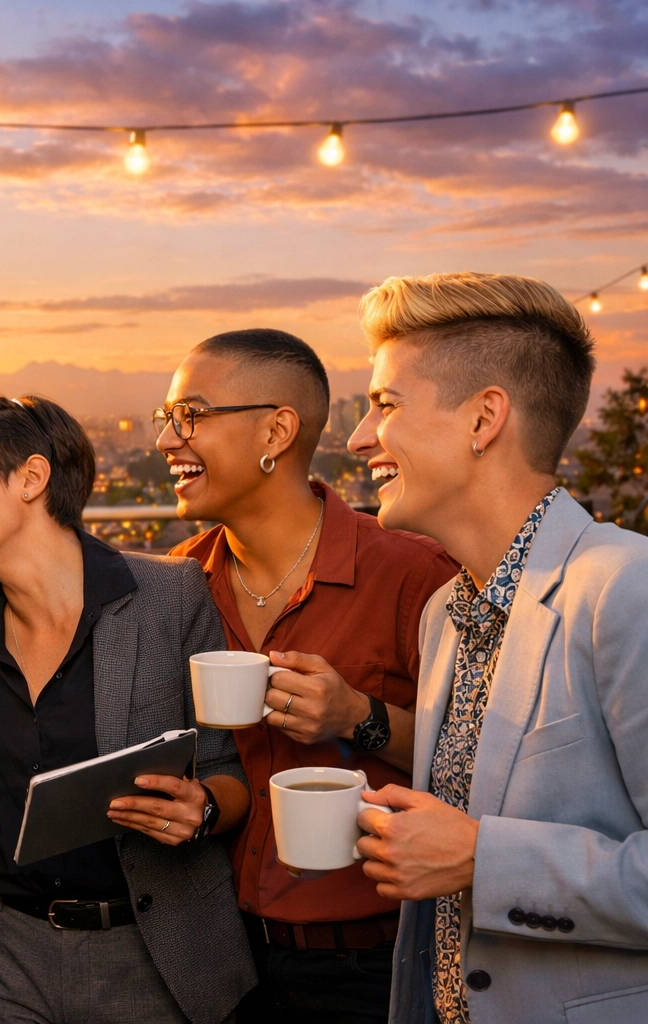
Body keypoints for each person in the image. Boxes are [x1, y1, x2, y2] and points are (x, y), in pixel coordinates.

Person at [345, 272, 648, 1024]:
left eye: (384, 404)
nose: (356, 438)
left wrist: (482, 857)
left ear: (484, 418)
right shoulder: (448, 611)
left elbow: (475, 854)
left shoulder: (624, 588)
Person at [160, 330, 457, 1024]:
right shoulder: (177, 585)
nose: (169, 439)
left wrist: (358, 717)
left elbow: (484, 770)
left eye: (192, 416)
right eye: (166, 419)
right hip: (224, 959)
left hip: (374, 966)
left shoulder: (411, 573)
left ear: (276, 429)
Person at [0, 394, 255, 1024]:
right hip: (0, 957)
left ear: (30, 478)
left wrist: (203, 807)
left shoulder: (171, 594)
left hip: (151, 953)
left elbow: (233, 771)